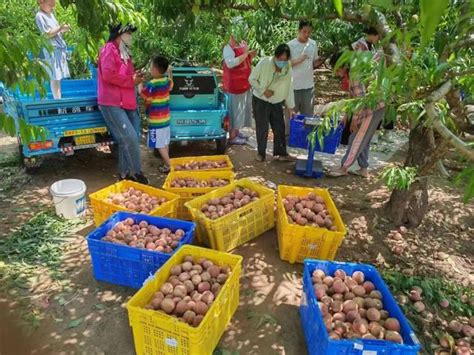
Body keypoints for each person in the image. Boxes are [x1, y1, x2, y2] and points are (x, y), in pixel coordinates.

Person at [97, 23, 148, 184]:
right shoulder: (108, 49)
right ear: (120, 34)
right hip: (112, 102)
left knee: (129, 138)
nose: (131, 36)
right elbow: (108, 75)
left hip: (127, 101)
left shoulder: (125, 52)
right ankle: (137, 172)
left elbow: (125, 74)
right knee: (130, 137)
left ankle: (125, 174)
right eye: (128, 33)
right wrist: (130, 80)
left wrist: (135, 76)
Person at [327, 52, 386, 178]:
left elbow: (361, 100)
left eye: (337, 69)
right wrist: (347, 115)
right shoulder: (352, 73)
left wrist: (354, 119)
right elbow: (352, 98)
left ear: (343, 66)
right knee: (364, 137)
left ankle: (344, 167)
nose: (337, 73)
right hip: (370, 107)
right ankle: (363, 169)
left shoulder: (355, 74)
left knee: (356, 138)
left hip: (372, 109)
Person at [249, 44, 295, 162]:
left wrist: (291, 107)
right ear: (275, 57)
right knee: (262, 127)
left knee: (279, 127)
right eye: (280, 59)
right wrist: (263, 90)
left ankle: (281, 153)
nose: (282, 62)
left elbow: (289, 87)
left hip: (276, 101)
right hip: (261, 99)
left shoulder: (288, 68)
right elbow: (252, 79)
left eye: (285, 60)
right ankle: (261, 153)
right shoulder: (265, 62)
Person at [353, 27, 394, 142]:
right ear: (373, 35)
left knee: (387, 104)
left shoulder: (378, 45)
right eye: (378, 36)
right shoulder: (360, 45)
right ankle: (374, 131)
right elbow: (362, 64)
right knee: (375, 105)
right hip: (369, 80)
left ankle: (385, 131)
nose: (379, 39)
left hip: (382, 79)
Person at [140, 56, 174, 173]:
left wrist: (139, 85)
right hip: (166, 120)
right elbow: (171, 85)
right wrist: (170, 73)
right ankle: (167, 165)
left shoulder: (152, 84)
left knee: (158, 145)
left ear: (155, 69)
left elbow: (146, 98)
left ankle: (170, 165)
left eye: (150, 67)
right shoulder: (166, 81)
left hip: (155, 122)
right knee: (164, 143)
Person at [222, 34, 257, 145]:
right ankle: (232, 136)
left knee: (240, 110)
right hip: (234, 85)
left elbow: (245, 60)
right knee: (234, 110)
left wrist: (250, 55)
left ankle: (237, 132)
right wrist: (246, 54)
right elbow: (231, 63)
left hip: (243, 83)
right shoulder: (227, 48)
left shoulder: (242, 44)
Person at [35, 0, 70, 99]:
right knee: (55, 77)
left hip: (59, 48)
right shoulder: (39, 16)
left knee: (58, 77)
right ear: (41, 2)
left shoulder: (51, 15)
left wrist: (63, 28)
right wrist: (60, 28)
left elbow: (55, 30)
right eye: (50, 5)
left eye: (53, 5)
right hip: (52, 49)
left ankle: (59, 100)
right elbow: (47, 34)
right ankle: (58, 101)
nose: (52, 7)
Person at [287, 20, 321, 119]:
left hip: (308, 86)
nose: (307, 34)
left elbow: (314, 62)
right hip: (293, 87)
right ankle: (289, 134)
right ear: (299, 30)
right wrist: (299, 60)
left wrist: (318, 62)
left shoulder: (313, 44)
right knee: (291, 117)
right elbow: (285, 64)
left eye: (309, 32)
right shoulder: (290, 45)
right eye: (304, 32)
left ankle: (306, 134)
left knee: (308, 117)